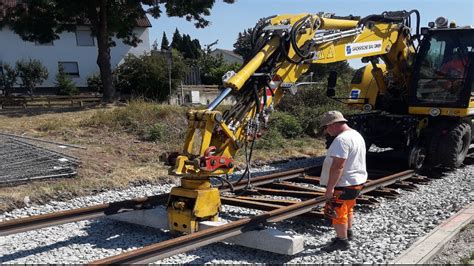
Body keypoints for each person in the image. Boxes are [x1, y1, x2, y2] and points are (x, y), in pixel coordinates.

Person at [319, 110, 368, 252]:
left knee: (337, 212)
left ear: (333, 125)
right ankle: (348, 233)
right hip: (356, 181)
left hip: (344, 183)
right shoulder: (356, 135)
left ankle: (342, 241)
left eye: (326, 127)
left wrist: (330, 188)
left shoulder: (341, 140)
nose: (326, 131)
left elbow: (338, 166)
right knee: (348, 208)